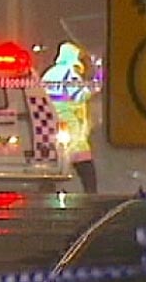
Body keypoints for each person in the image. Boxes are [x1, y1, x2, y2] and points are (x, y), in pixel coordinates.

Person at [41, 41, 98, 193]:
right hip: (70, 121)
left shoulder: (49, 73)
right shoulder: (69, 73)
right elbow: (79, 96)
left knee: (54, 162)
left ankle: (48, 191)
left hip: (49, 121)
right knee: (84, 161)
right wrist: (94, 89)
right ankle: (91, 194)